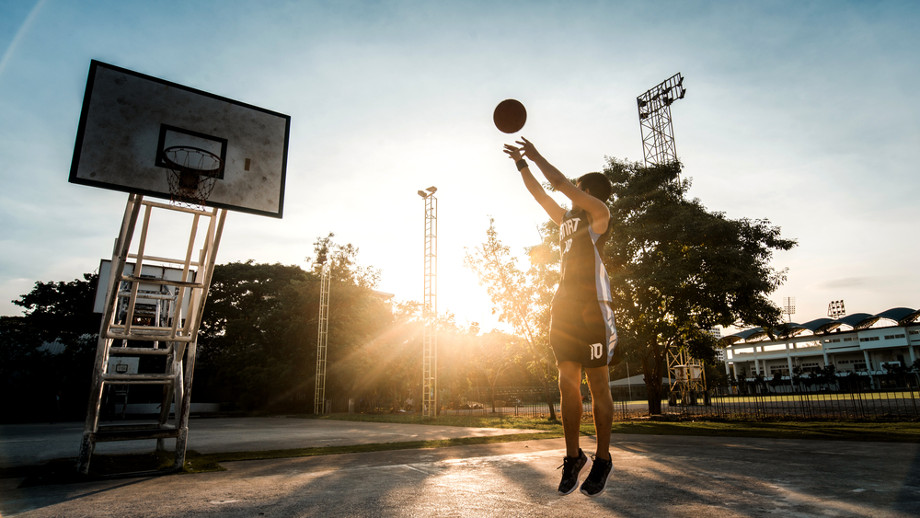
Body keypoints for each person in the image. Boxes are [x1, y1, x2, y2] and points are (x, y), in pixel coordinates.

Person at [503, 137, 617, 497]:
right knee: (567, 383)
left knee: (598, 386)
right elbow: (542, 195)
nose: (572, 192)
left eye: (578, 188)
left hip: (593, 310)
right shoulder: (568, 220)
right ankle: (573, 456)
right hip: (565, 308)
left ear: (587, 191)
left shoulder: (599, 214)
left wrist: (536, 155)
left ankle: (602, 458)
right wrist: (522, 165)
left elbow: (560, 184)